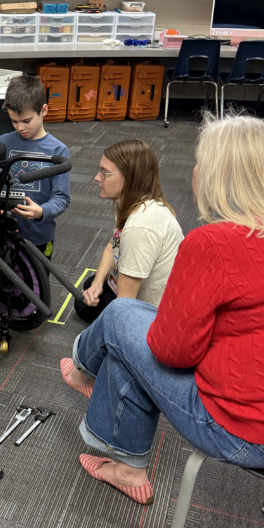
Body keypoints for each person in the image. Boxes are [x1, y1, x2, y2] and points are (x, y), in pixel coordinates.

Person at [64, 113, 264, 506]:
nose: (194, 171)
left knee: (119, 317)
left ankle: (83, 369)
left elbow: (172, 353)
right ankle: (125, 462)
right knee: (125, 341)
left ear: (215, 176)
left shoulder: (212, 243)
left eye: (200, 162)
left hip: (246, 433)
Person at [62, 140, 183, 397]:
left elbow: (124, 309)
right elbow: (112, 245)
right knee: (87, 294)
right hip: (135, 292)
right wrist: (98, 284)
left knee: (110, 321)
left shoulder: (141, 226)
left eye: (105, 173)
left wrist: (87, 359)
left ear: (130, 177)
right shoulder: (132, 203)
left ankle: (91, 378)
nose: (97, 178)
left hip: (155, 316)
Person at [0, 74, 70, 259]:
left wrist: (42, 212)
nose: (20, 127)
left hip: (38, 235)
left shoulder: (58, 150)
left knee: (36, 278)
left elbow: (61, 197)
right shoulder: (2, 143)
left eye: (26, 121)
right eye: (14, 121)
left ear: (43, 110)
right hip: (3, 232)